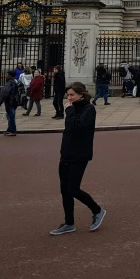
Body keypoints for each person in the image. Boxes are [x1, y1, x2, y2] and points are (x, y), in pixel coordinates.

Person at [50, 82, 106, 236]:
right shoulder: (73, 108)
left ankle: (98, 210)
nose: (69, 98)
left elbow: (78, 126)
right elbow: (69, 130)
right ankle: (69, 223)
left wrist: (69, 111)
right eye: (68, 95)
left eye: (72, 95)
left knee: (73, 189)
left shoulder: (89, 109)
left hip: (80, 155)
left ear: (81, 94)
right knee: (64, 190)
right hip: (67, 153)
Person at [0, 71, 20, 136]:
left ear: (10, 76)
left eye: (7, 75)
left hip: (10, 101)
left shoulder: (9, 83)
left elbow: (5, 94)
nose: (6, 76)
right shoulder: (16, 82)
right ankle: (10, 129)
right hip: (15, 101)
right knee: (10, 116)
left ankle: (12, 130)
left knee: (11, 116)